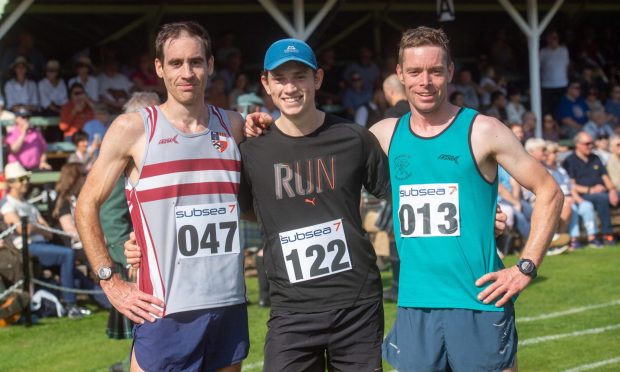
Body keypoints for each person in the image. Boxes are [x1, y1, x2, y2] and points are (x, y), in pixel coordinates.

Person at [240, 37, 509, 371]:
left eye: (300, 76)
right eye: (280, 78)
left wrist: (478, 213)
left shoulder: (353, 138)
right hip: (291, 311)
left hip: (357, 306)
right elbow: (249, 209)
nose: (291, 87)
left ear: (318, 79)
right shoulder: (251, 151)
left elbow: (406, 192)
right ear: (266, 83)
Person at [366, 26, 562, 371]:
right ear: (400, 75)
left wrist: (526, 267)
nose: (425, 81)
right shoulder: (384, 135)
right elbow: (324, 157)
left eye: (435, 71)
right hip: (415, 307)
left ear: (450, 72)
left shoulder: (484, 130)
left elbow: (549, 190)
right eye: (414, 71)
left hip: (478, 303)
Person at [75, 21, 248, 372]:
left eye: (196, 62)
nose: (187, 72)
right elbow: (85, 205)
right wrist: (111, 280)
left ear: (211, 65)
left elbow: (252, 204)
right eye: (176, 63)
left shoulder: (234, 126)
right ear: (159, 68)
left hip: (229, 306)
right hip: (165, 310)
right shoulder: (134, 130)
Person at [1, 162, 86, 319]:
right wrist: (35, 228)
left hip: (41, 245)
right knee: (67, 255)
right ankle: (70, 304)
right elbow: (23, 230)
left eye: (26, 178)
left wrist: (34, 228)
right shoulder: (6, 205)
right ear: (11, 183)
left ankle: (107, 302)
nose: (25, 182)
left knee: (75, 271)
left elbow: (47, 232)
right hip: (27, 248)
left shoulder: (27, 204)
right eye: (21, 179)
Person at [562, 131, 618, 245]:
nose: (590, 146)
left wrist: (612, 190)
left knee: (610, 195)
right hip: (582, 195)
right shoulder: (570, 161)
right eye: (586, 143)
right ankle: (607, 234)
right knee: (602, 198)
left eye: (591, 143)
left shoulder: (595, 158)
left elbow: (605, 178)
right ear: (577, 144)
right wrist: (590, 190)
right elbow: (571, 185)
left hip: (603, 192)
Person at [545, 141, 599, 250]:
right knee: (571, 207)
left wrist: (578, 198)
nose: (556, 155)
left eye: (557, 152)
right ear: (547, 154)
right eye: (553, 152)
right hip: (561, 199)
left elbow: (571, 186)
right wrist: (569, 199)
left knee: (586, 205)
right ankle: (573, 240)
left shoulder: (560, 169)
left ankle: (592, 237)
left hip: (571, 196)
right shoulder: (545, 170)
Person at [540, 30, 570, 115]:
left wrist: (567, 79)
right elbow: (538, 67)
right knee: (548, 108)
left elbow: (567, 66)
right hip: (547, 84)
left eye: (556, 38)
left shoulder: (564, 50)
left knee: (562, 106)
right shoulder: (543, 51)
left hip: (562, 84)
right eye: (552, 38)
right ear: (548, 39)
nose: (554, 40)